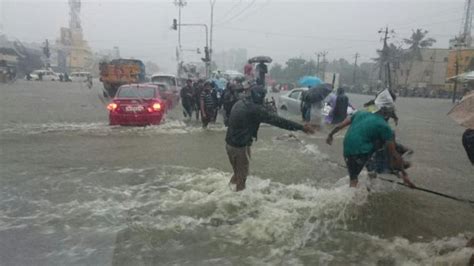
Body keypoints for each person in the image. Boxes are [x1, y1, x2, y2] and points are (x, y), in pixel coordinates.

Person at [226, 86, 314, 191]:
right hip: (239, 147)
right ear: (259, 97)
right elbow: (277, 121)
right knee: (242, 177)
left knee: (238, 173)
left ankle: (228, 190)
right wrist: (301, 127)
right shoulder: (255, 109)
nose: (264, 99)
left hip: (231, 144)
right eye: (263, 97)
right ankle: (238, 199)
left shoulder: (241, 102)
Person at [326, 107, 415, 188]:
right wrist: (404, 174)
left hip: (347, 149)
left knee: (353, 180)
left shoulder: (360, 113)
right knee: (386, 144)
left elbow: (339, 126)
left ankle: (370, 177)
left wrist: (330, 135)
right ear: (387, 117)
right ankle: (387, 168)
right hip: (362, 152)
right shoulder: (384, 126)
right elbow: (394, 154)